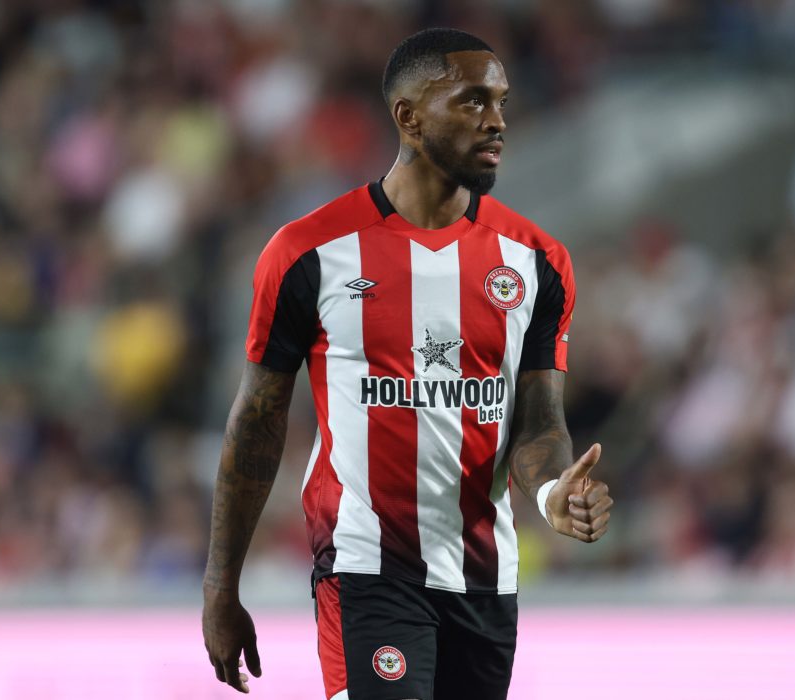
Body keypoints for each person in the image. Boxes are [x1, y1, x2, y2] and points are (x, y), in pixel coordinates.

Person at [202, 28, 613, 700]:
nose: (498, 120)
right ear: (410, 117)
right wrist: (221, 586)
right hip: (366, 566)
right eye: (473, 101)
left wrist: (551, 492)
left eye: (502, 102)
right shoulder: (308, 253)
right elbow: (257, 419)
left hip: (485, 578)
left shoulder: (539, 262)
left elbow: (538, 422)